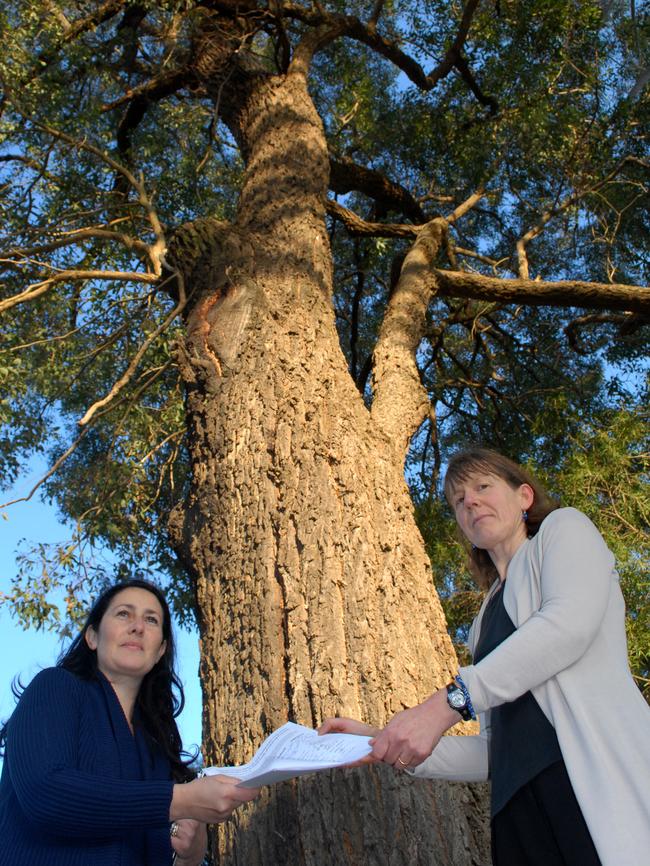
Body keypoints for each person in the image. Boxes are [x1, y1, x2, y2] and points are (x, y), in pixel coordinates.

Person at [320, 447, 650, 866]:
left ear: (524, 497)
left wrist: (448, 704)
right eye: (459, 500)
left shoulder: (565, 531)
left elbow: (568, 624)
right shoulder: (482, 623)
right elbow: (494, 751)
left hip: (588, 788)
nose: (470, 501)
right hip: (516, 815)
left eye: (482, 487)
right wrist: (382, 741)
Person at [0, 578, 260, 866]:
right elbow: (45, 793)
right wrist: (178, 800)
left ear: (160, 650)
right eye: (124, 613)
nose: (138, 626)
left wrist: (190, 854)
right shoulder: (54, 686)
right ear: (93, 637)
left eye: (151, 620)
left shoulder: (156, 750)